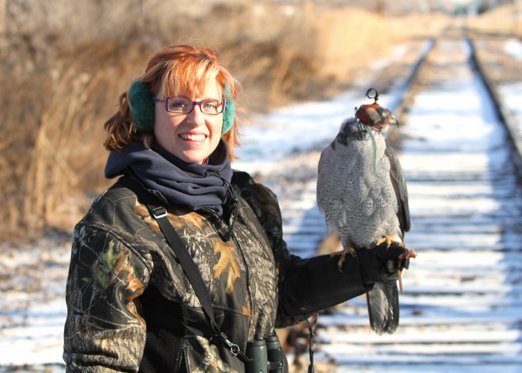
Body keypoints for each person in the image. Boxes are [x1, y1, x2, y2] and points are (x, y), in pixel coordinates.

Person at [63, 44, 411, 372]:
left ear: (225, 115)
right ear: (146, 112)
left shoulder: (246, 200)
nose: (196, 120)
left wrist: (364, 270)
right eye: (178, 104)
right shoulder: (119, 222)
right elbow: (99, 360)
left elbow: (279, 296)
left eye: (210, 105)